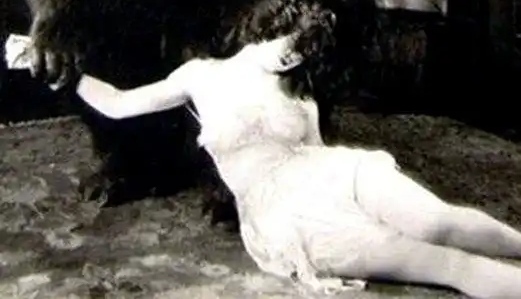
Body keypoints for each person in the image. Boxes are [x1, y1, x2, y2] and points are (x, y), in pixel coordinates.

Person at [56, 37, 521, 297]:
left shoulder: (297, 89)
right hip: (288, 216)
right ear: (261, 25)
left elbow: (316, 150)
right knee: (445, 264)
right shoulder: (200, 75)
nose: (293, 53)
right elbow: (117, 103)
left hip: (335, 174)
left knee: (439, 222)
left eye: (304, 48)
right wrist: (68, 74)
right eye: (289, 37)